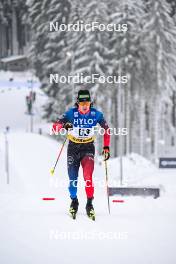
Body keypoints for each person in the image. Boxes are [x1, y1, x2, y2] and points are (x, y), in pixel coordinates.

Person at [52, 89, 110, 220]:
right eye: (82, 102)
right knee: (73, 180)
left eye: (87, 103)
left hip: (88, 147)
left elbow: (107, 130)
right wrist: (63, 126)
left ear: (90, 103)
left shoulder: (96, 115)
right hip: (73, 147)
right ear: (77, 103)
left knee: (88, 177)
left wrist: (106, 147)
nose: (84, 105)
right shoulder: (71, 114)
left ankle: (89, 204)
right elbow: (55, 127)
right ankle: (74, 201)